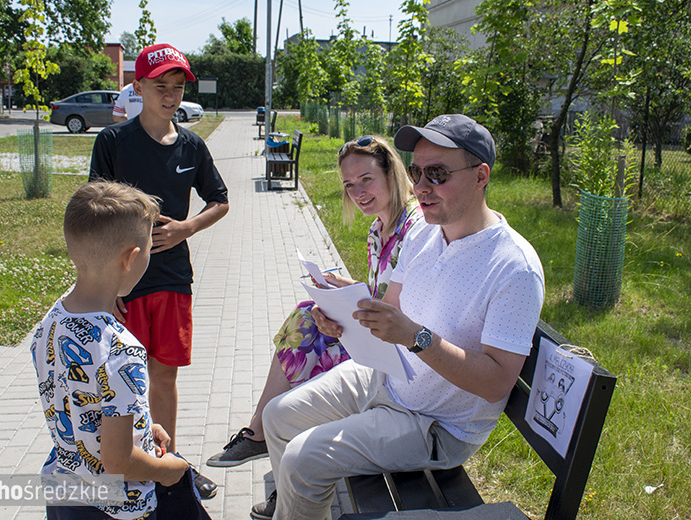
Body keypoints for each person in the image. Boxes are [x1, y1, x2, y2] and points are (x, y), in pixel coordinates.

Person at [250, 114, 546, 520]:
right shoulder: (424, 233)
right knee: (277, 416)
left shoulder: (514, 268)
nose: (421, 186)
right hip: (387, 376)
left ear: (481, 176)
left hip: (435, 424)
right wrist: (342, 315)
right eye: (416, 171)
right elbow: (390, 311)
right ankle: (294, 507)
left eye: (437, 174)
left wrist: (415, 337)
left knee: (304, 459)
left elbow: (496, 383)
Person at [206, 135, 426, 468]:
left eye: (366, 179)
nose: (357, 192)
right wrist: (342, 290)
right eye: (349, 185)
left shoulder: (416, 228)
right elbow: (382, 293)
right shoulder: (378, 229)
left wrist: (347, 310)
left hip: (401, 354)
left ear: (390, 173)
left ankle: (272, 442)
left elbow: (407, 309)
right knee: (309, 315)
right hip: (380, 336)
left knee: (310, 334)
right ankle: (272, 439)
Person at [89, 43, 228, 497]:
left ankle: (169, 467)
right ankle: (127, 463)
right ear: (138, 87)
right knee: (123, 378)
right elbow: (95, 211)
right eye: (160, 86)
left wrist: (187, 227)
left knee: (164, 375)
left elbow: (220, 200)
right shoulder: (113, 142)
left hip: (172, 279)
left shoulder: (191, 145)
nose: (170, 95)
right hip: (123, 283)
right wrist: (106, 283)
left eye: (178, 87)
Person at [31, 181, 189, 520]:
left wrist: (143, 427)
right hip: (116, 508)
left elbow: (81, 404)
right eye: (148, 249)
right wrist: (169, 470)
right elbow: (119, 461)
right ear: (131, 258)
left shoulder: (51, 320)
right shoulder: (121, 350)